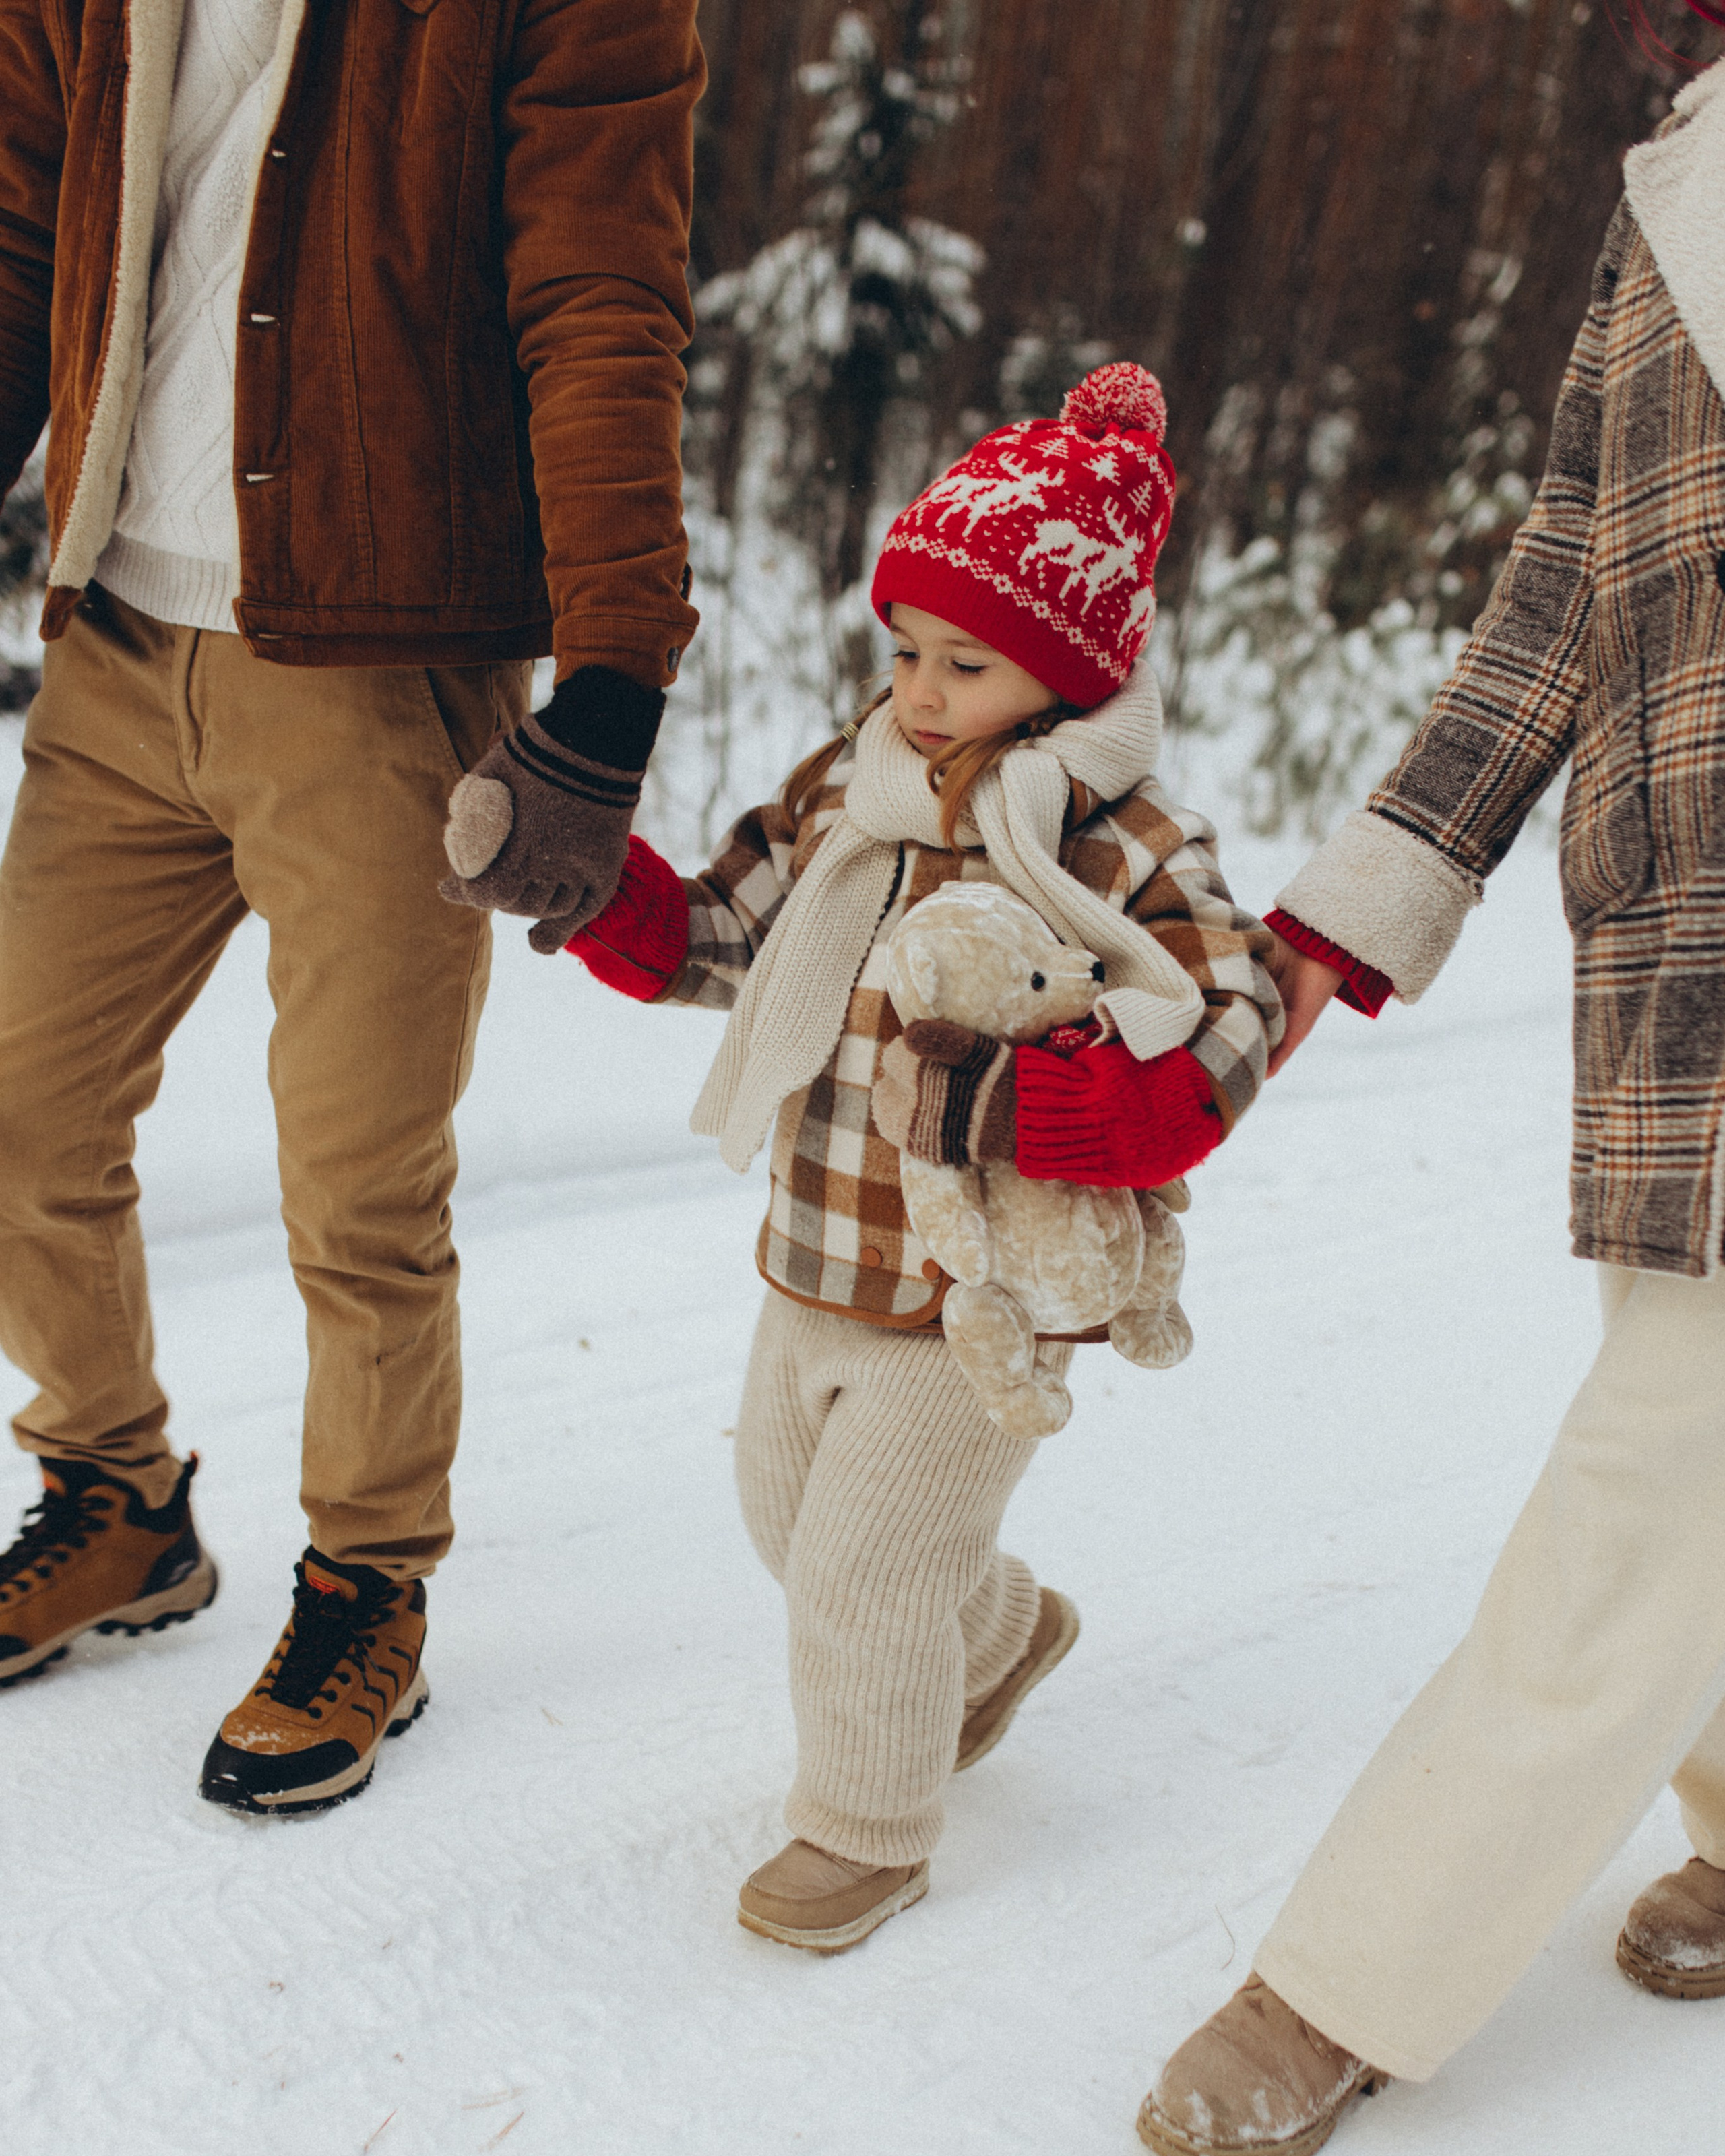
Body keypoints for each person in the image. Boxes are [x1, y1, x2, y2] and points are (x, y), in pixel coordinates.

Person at [0, 0, 701, 1814]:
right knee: (19, 1109)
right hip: (121, 633)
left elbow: (601, 294)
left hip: (381, 664)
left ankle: (365, 1581)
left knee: (358, 1179)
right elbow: (19, 212)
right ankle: (119, 1503)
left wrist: (611, 680)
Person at [1137, 52, 1725, 2156]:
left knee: (1669, 1443)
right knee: (1689, 1404)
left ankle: (1353, 1975)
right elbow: (1563, 586)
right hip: (1694, 910)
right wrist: (1361, 905)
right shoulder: (1681, 165)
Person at [549, 366, 1283, 1951]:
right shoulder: (847, 789)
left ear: (1071, 676)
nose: (923, 693)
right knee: (782, 1521)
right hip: (816, 1247)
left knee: (864, 1580)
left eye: (967, 661)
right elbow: (734, 930)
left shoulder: (1124, 842)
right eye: (904, 652)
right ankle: (1003, 1631)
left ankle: (867, 1830)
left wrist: (1073, 1106)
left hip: (980, 1293)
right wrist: (610, 897)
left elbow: (1229, 1016)